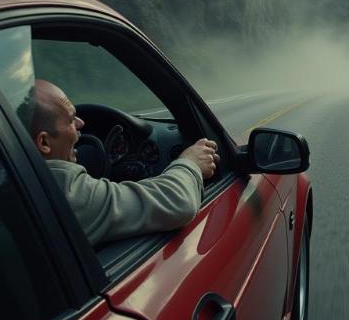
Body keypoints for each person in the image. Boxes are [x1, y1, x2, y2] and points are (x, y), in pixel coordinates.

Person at [30, 79, 219, 246]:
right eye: (70, 119)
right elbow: (177, 202)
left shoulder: (17, 181)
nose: (80, 123)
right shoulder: (59, 194)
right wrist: (190, 162)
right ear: (44, 142)